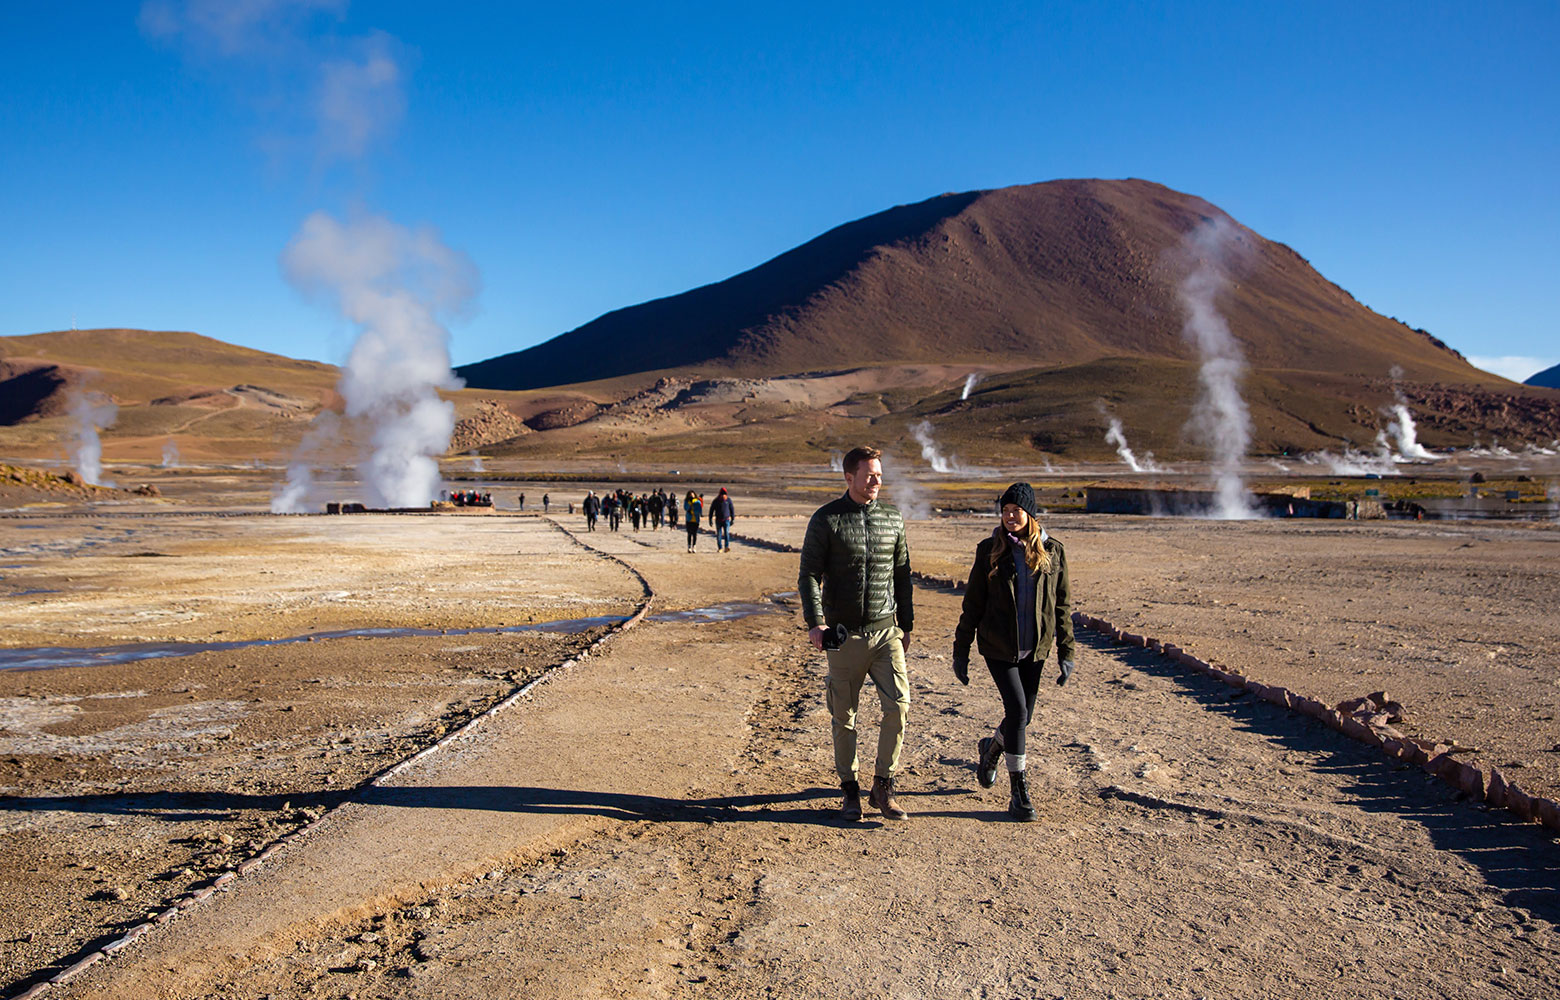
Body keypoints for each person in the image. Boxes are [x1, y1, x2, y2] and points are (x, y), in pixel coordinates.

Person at [798, 445, 913, 821]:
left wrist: (905, 624)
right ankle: (850, 789)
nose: (877, 481)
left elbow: (902, 575)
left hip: (886, 633)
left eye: (880, 474)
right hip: (844, 636)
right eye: (870, 475)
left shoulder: (893, 519)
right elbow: (810, 576)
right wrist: (816, 623)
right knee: (844, 716)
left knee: (898, 707)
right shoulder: (827, 520)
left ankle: (883, 783)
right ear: (850, 478)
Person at [951, 482, 1076, 822]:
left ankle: (991, 750)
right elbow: (973, 603)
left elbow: (1061, 606)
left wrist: (1067, 651)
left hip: (1035, 650)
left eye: (1015, 510)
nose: (1008, 516)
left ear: (1030, 513)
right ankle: (1018, 791)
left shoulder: (1054, 551)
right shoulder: (989, 549)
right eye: (1004, 510)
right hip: (998, 648)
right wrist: (960, 650)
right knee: (1018, 712)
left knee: (1023, 718)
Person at [709, 487, 735, 552]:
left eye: (724, 494)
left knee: (726, 533)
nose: (723, 495)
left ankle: (726, 547)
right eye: (722, 494)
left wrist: (733, 518)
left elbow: (732, 509)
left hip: (726, 520)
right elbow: (711, 510)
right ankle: (720, 547)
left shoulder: (728, 500)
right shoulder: (716, 501)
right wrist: (710, 519)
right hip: (718, 520)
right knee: (719, 534)